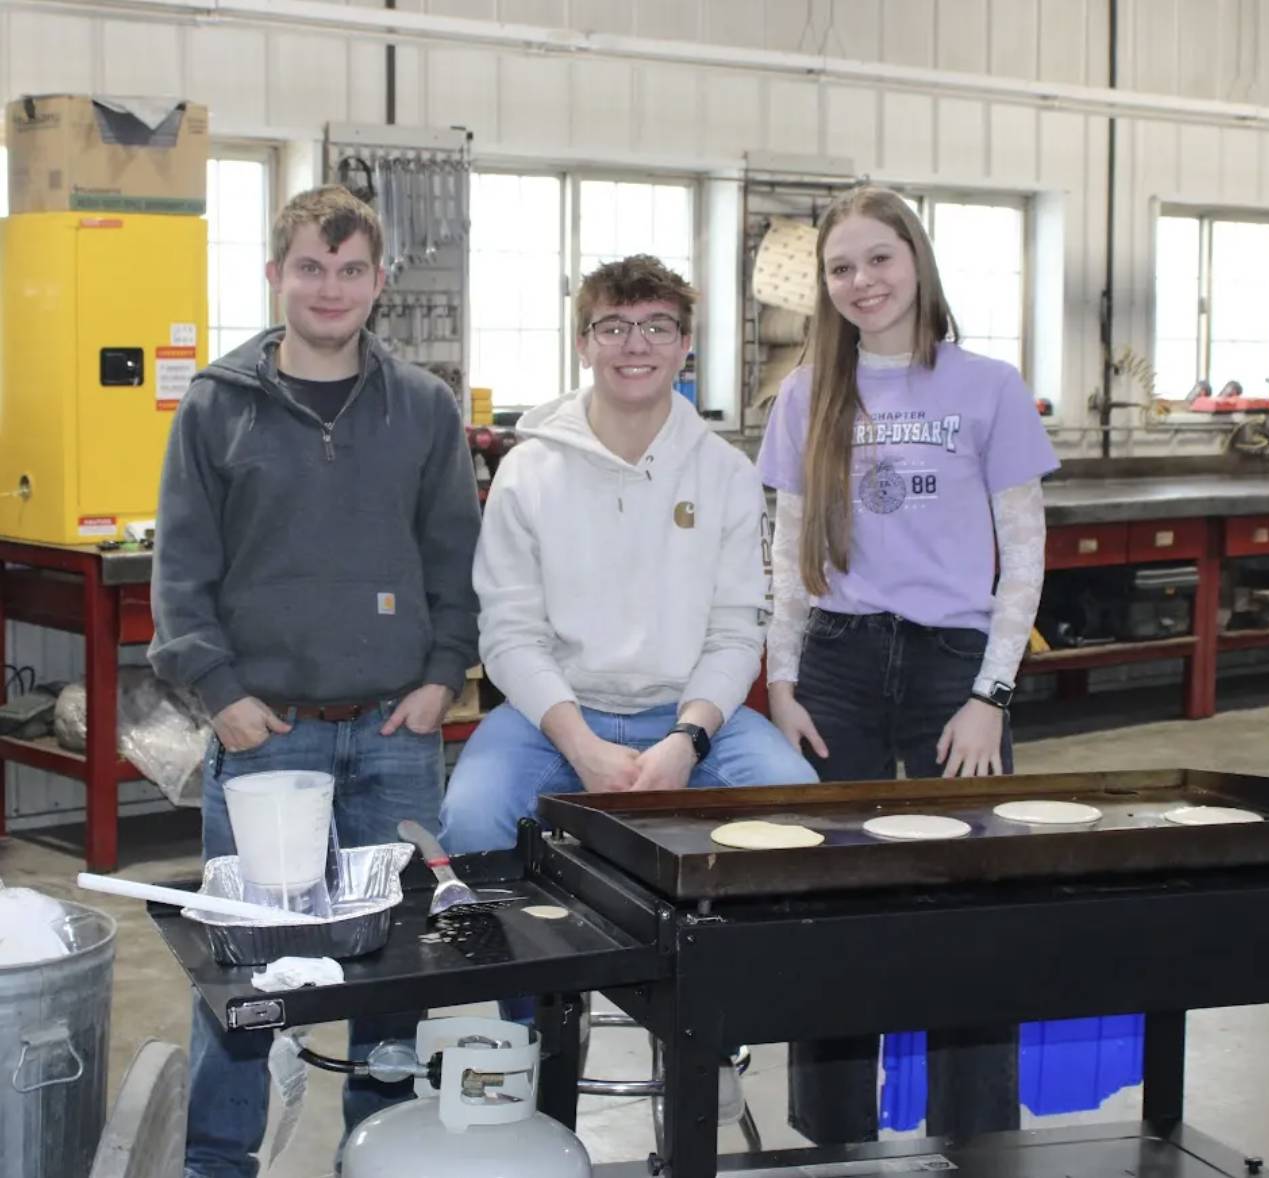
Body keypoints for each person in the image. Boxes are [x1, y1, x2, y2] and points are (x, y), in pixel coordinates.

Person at [149, 185, 481, 1178]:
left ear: (378, 282)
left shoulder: (422, 407)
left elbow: (454, 559)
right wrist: (218, 688)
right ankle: (218, 1158)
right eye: (309, 266)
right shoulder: (216, 404)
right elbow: (182, 569)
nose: (329, 287)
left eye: (348, 270)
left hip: (394, 736)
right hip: (264, 738)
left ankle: (372, 1149)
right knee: (242, 967)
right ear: (274, 274)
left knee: (392, 970)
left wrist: (440, 674)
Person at [756, 186, 1059, 1145]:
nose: (861, 282)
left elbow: (1026, 553)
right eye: (841, 269)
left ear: (916, 261)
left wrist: (990, 696)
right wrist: (785, 681)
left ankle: (973, 1138)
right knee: (830, 899)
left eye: (878, 259)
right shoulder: (806, 393)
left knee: (970, 900)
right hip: (839, 664)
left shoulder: (989, 387)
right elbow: (787, 550)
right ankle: (833, 1137)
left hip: (952, 670)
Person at [439, 254, 815, 856]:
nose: (634, 344)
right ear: (583, 345)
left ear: (685, 344)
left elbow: (737, 632)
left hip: (688, 712)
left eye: (657, 326)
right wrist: (582, 746)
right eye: (612, 326)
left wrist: (687, 739)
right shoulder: (527, 472)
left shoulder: (726, 474)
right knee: (472, 821)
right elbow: (510, 634)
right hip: (555, 716)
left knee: (797, 810)